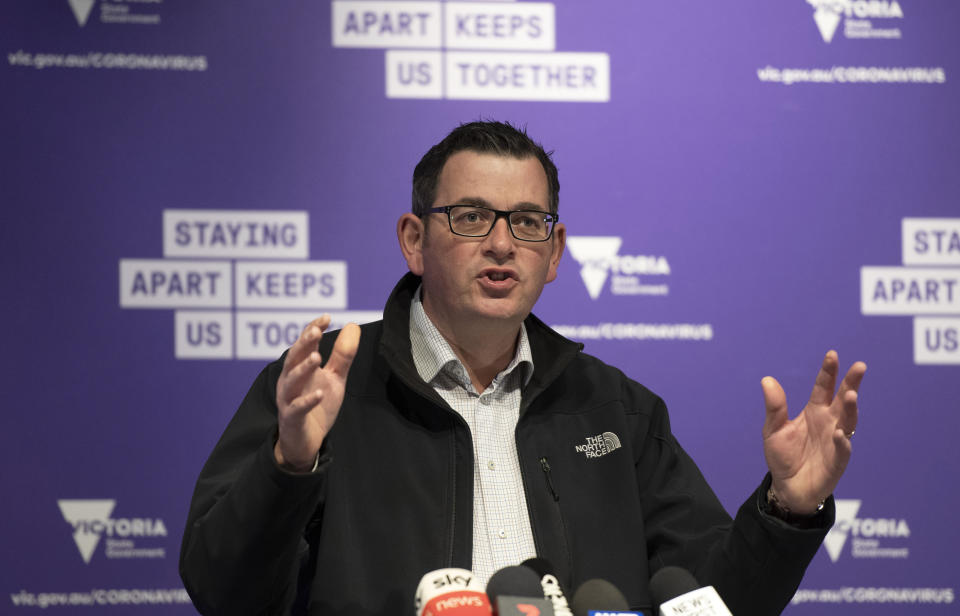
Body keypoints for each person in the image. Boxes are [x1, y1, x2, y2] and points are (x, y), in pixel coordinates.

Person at [180, 121, 866, 616]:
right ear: (414, 241)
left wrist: (788, 509)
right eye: (472, 216)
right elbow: (224, 593)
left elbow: (709, 603)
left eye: (529, 221)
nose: (504, 244)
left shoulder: (616, 409)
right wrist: (288, 467)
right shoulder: (321, 387)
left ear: (556, 250)